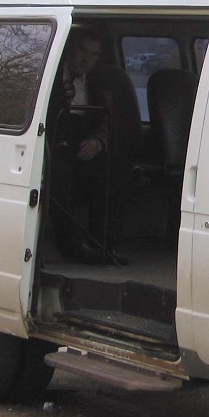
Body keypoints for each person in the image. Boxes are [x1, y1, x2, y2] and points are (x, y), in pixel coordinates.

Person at [51, 27, 135, 266]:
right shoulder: (52, 75)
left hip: (85, 145)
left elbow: (108, 119)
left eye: (93, 54)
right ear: (69, 49)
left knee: (118, 170)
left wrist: (99, 142)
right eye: (81, 51)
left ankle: (103, 245)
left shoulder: (101, 81)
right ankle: (71, 245)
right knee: (60, 174)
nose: (85, 59)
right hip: (54, 146)